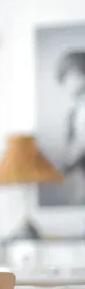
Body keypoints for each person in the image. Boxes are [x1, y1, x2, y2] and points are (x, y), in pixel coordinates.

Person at [57, 51, 85, 203]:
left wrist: (66, 163)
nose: (64, 84)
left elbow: (79, 146)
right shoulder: (76, 110)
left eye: (66, 76)